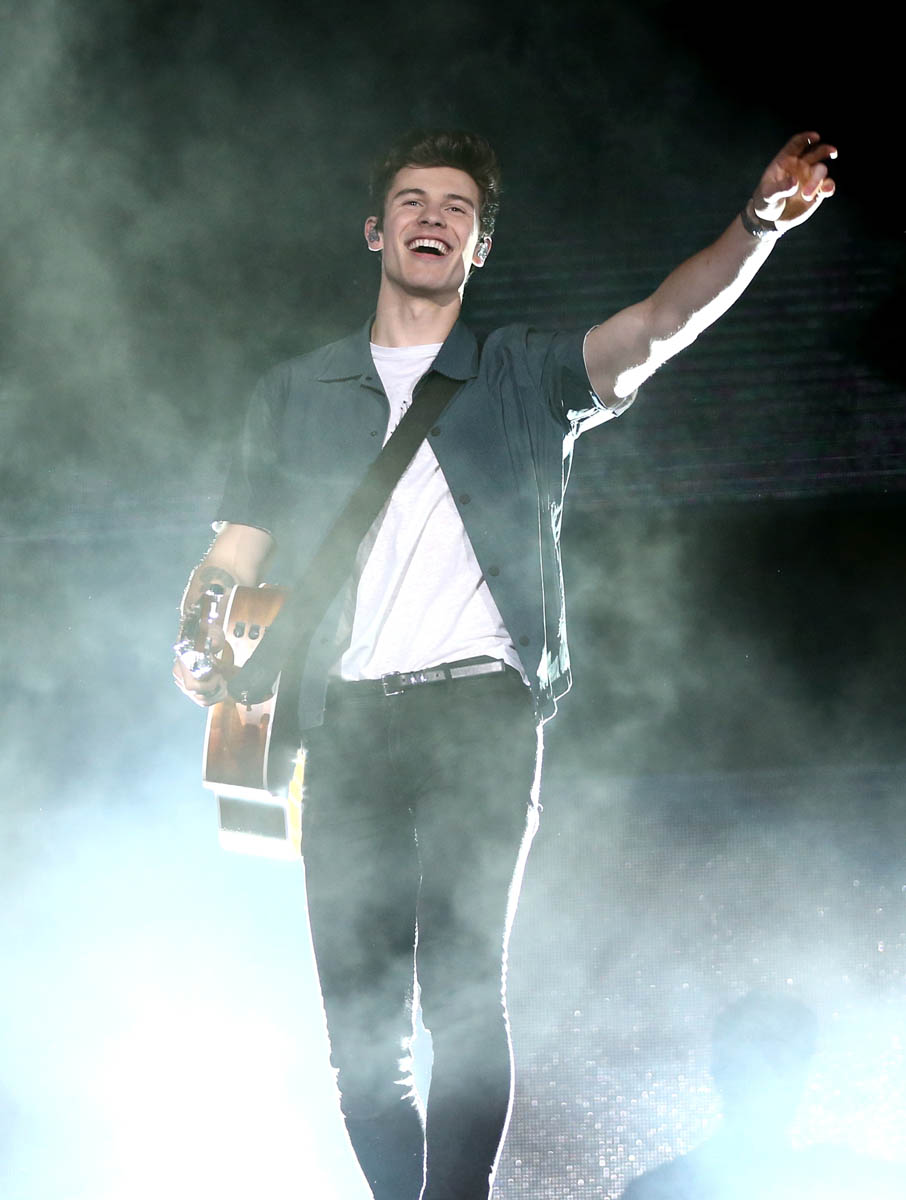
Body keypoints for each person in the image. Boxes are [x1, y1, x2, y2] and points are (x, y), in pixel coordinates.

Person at [172, 129, 837, 1200]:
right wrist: (197, 629)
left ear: (478, 247)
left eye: (458, 208)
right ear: (376, 230)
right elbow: (233, 553)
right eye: (412, 200)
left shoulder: (523, 372)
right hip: (344, 725)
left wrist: (757, 226)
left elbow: (659, 326)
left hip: (478, 712)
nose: (433, 216)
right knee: (359, 1031)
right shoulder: (295, 392)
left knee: (463, 995)